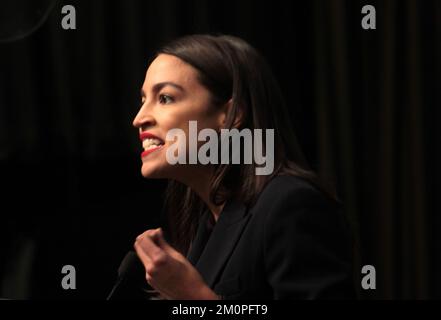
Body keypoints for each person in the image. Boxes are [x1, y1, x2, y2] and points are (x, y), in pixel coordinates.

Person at [126, 34, 355, 299]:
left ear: (231, 115)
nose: (139, 118)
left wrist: (193, 298)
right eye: (143, 100)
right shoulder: (207, 223)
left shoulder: (291, 203)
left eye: (165, 98)